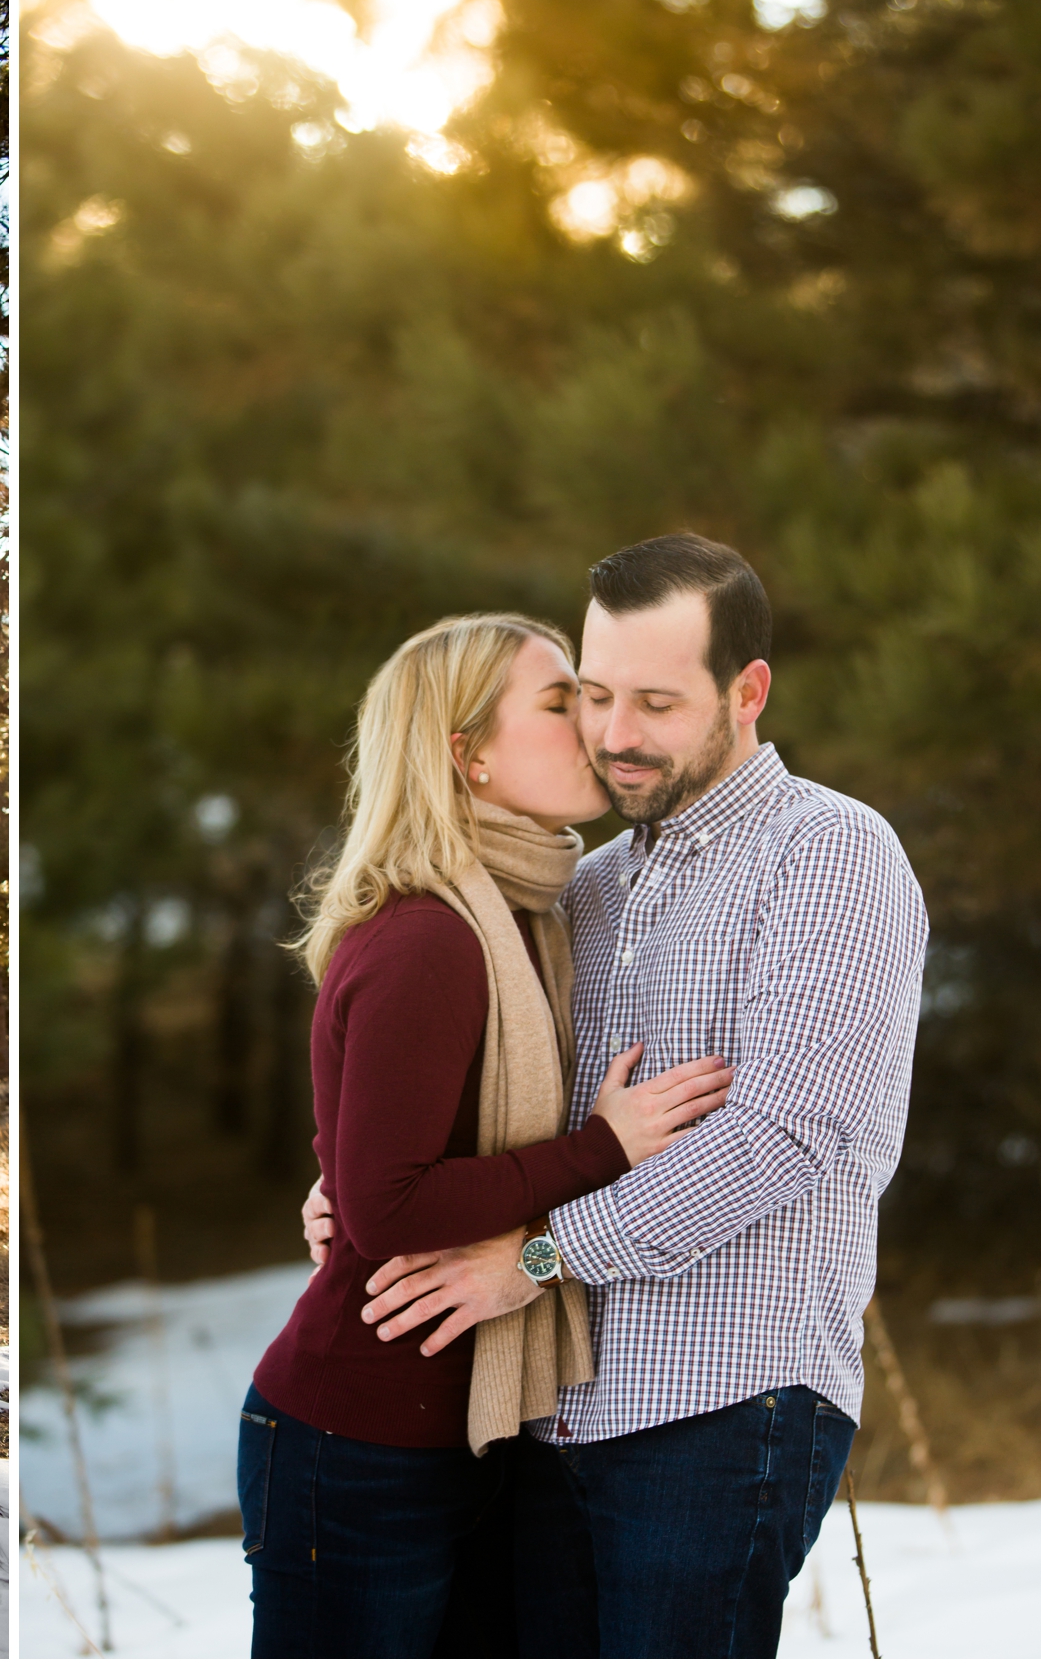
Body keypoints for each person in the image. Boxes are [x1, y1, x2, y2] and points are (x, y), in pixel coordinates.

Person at [305, 534, 929, 1657]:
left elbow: (779, 1139)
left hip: (727, 1401)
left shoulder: (830, 854)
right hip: (553, 1409)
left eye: (655, 701)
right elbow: (497, 1105)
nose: (616, 735)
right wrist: (351, 1180)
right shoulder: (584, 886)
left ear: (748, 693)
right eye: (594, 696)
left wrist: (534, 1258)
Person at [241, 610, 736, 1658]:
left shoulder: (530, 917)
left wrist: (339, 1175)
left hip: (460, 1434)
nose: (598, 727)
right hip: (357, 1442)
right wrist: (602, 1148)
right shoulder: (433, 935)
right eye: (562, 703)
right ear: (467, 756)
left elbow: (371, 1144)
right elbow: (386, 1206)